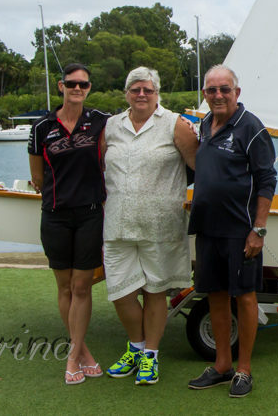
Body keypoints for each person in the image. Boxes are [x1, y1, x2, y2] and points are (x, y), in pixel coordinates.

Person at [102, 67, 198, 385]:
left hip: (161, 224)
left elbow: (200, 167)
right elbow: (99, 168)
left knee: (154, 290)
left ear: (157, 93)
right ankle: (137, 347)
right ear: (126, 93)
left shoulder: (175, 124)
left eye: (148, 89)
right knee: (120, 292)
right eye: (135, 89)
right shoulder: (111, 126)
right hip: (117, 223)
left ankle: (150, 356)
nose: (141, 94)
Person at [187, 64, 277, 398]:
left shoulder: (251, 127)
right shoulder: (205, 125)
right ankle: (222, 365)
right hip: (207, 230)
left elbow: (267, 179)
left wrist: (259, 230)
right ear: (205, 95)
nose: (218, 95)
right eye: (211, 90)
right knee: (215, 296)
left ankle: (244, 370)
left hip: (241, 232)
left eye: (225, 89)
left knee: (244, 297)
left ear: (237, 93)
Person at [27, 63, 109, 385]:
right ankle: (83, 351)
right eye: (72, 84)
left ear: (89, 88)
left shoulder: (101, 121)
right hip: (55, 215)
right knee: (64, 287)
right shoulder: (41, 128)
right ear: (61, 86)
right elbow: (37, 177)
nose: (78, 89)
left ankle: (72, 356)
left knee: (82, 286)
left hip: (90, 213)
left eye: (83, 84)